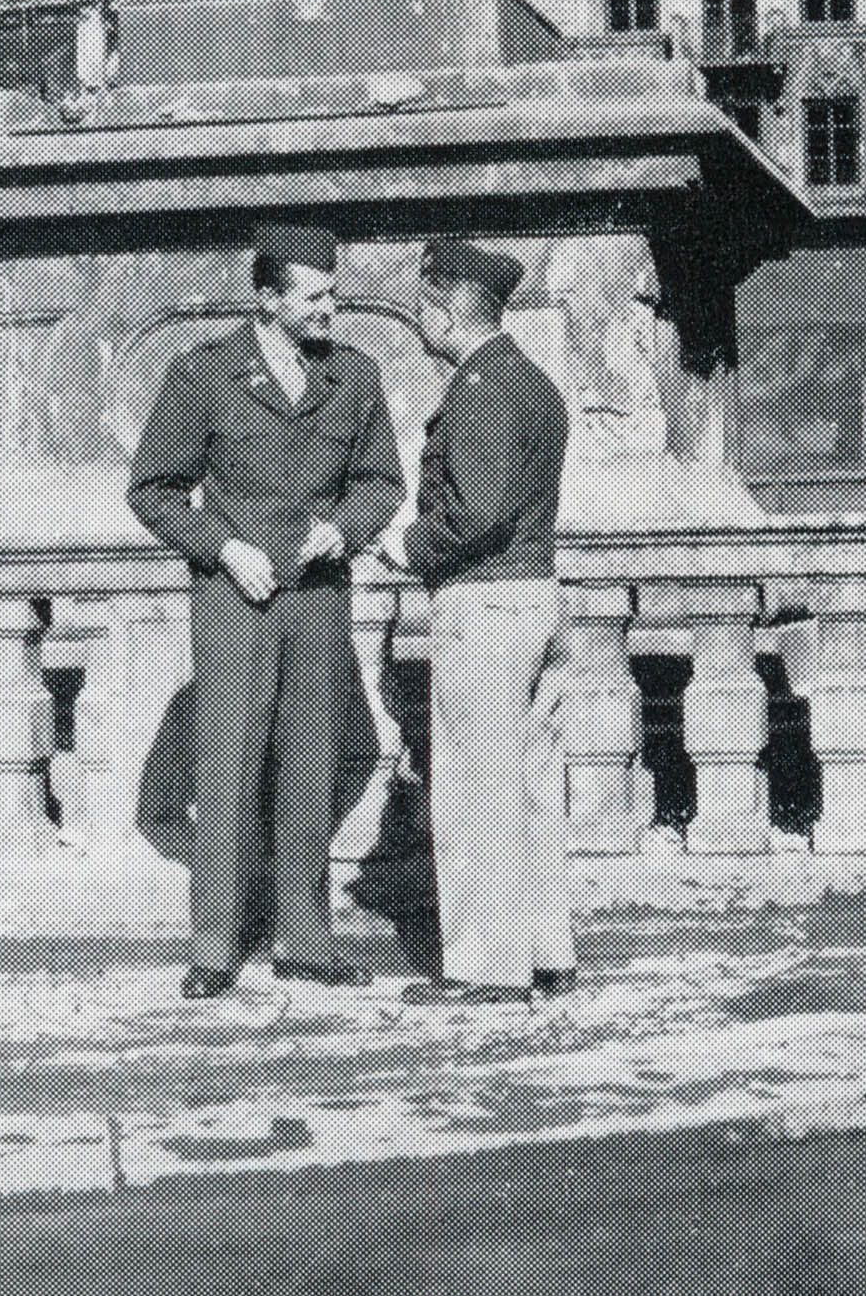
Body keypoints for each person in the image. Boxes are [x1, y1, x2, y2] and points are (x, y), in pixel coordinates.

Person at [126, 224, 405, 998]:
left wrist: (341, 530)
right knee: (227, 770)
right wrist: (221, 546)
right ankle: (215, 942)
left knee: (311, 766)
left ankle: (305, 938)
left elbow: (383, 483)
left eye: (333, 293)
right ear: (268, 298)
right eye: (314, 297)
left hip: (318, 598)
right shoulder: (204, 374)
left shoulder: (356, 375)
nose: (330, 309)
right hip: (233, 600)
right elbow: (151, 489)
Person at [379, 238, 575, 1006]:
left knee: (474, 790)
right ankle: (543, 948)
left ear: (443, 309)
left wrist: (406, 544)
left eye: (424, 305)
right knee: (531, 785)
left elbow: (478, 512)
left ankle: (485, 966)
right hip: (536, 595)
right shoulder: (534, 383)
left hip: (482, 603)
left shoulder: (478, 390)